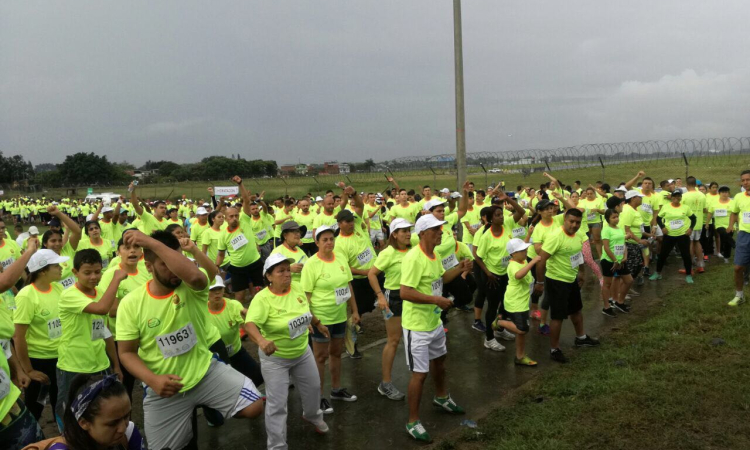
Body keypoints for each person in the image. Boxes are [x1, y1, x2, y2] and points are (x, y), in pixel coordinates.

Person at [116, 230, 263, 450]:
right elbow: (126, 353)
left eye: (177, 260)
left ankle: (207, 404)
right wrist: (153, 380)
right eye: (164, 263)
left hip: (204, 372)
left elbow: (196, 276)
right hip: (165, 387)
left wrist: (150, 242)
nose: (174, 269)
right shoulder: (131, 303)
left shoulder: (192, 287)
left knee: (254, 407)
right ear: (149, 267)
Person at [245, 253, 330, 449]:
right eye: (280, 271)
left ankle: (312, 416)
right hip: (275, 359)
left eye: (287, 269)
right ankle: (276, 445)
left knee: (314, 388)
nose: (287, 274)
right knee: (277, 404)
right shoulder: (262, 299)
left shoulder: (297, 288)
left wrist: (317, 323)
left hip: (302, 351)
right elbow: (249, 324)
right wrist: (261, 340)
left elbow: (305, 311)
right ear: (269, 276)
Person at [400, 214, 468, 442]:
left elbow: (441, 279)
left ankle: (441, 397)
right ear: (423, 233)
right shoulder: (413, 258)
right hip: (416, 327)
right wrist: (436, 300)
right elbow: (405, 292)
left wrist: (459, 268)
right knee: (420, 374)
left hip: (434, 322)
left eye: (441, 229)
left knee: (440, 361)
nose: (441, 233)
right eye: (436, 230)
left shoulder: (435, 254)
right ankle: (413, 421)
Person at [55, 250, 124, 426]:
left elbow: (105, 331)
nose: (94, 277)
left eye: (97, 272)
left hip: (100, 364)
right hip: (74, 365)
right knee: (70, 413)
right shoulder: (69, 295)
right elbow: (101, 308)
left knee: (97, 412)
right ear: (75, 272)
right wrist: (115, 279)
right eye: (87, 272)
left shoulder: (100, 292)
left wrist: (115, 364)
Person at [300, 225, 359, 414]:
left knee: (336, 353)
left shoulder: (340, 258)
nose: (329, 242)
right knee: (320, 357)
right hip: (321, 320)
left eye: (331, 239)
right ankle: (317, 397)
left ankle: (336, 389)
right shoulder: (311, 264)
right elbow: (305, 298)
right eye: (324, 239)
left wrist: (355, 311)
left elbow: (349, 286)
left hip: (340, 317)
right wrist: (314, 321)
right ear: (316, 242)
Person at [535, 209, 600, 364]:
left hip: (571, 279)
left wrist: (582, 272)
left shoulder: (579, 235)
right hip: (557, 281)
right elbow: (541, 260)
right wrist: (539, 282)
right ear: (564, 219)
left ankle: (581, 337)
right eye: (571, 221)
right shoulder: (556, 237)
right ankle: (554, 349)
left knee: (576, 310)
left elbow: (578, 256)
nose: (574, 225)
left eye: (577, 222)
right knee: (558, 316)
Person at [13, 250, 69, 426]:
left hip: (61, 359)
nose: (61, 268)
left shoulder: (59, 288)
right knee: (37, 404)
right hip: (39, 362)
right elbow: (18, 336)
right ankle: (32, 437)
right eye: (56, 265)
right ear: (42, 270)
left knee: (60, 402)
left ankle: (62, 436)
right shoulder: (26, 295)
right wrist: (29, 370)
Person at [0, 237, 45, 450]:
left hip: (7, 401)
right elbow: (5, 281)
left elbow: (3, 342)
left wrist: (17, 369)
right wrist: (28, 251)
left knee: (34, 442)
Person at [23, 374, 145, 450]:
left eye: (126, 416)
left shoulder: (128, 434)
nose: (123, 427)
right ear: (83, 422)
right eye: (112, 423)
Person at [97, 233, 153, 397]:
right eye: (126, 248)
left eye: (136, 247)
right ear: (118, 252)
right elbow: (112, 311)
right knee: (124, 384)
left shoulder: (145, 271)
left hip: (145, 334)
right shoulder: (112, 275)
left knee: (149, 378)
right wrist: (142, 305)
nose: (132, 251)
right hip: (120, 338)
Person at [367, 218, 412, 401]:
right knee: (393, 340)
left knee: (414, 336)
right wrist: (379, 296)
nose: (408, 233)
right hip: (394, 297)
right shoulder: (388, 253)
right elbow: (372, 274)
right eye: (403, 231)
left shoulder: (412, 249)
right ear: (394, 234)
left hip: (412, 295)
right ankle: (385, 383)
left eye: (409, 230)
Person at [207, 277, 263, 386]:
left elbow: (247, 327)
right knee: (228, 386)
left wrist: (261, 342)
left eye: (219, 288)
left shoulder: (233, 305)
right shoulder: (201, 309)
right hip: (214, 359)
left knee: (258, 376)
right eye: (212, 290)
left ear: (224, 290)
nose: (217, 292)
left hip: (236, 352)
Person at [216, 176, 264, 302]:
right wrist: (216, 266)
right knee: (239, 296)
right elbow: (221, 254)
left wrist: (240, 184)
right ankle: (240, 318)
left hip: (255, 263)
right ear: (226, 219)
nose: (235, 218)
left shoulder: (244, 220)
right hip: (237, 268)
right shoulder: (223, 235)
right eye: (231, 216)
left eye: (236, 215)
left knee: (262, 292)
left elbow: (246, 201)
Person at [494, 238, 540, 366]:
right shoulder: (513, 264)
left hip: (523, 301)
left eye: (525, 249)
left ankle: (519, 356)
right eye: (522, 250)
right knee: (522, 329)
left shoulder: (522, 260)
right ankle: (500, 322)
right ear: (513, 254)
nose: (525, 252)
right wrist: (533, 262)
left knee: (522, 331)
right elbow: (519, 275)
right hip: (515, 302)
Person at [651, 190, 696, 284]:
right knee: (663, 255)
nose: (677, 198)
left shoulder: (685, 207)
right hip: (669, 235)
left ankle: (688, 275)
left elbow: (693, 218)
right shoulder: (666, 207)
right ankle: (658, 273)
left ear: (681, 197)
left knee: (686, 255)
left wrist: (690, 228)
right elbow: (658, 218)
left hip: (682, 235)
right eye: (675, 196)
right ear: (671, 197)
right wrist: (662, 227)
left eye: (678, 196)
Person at [600, 209, 631, 316]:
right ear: (608, 219)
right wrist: (614, 260)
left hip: (621, 261)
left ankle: (619, 302)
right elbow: (606, 247)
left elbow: (623, 244)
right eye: (613, 217)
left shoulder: (619, 229)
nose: (616, 219)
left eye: (617, 216)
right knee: (607, 284)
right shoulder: (606, 230)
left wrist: (625, 256)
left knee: (629, 280)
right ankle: (606, 307)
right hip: (609, 261)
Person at [728, 170, 750, 305]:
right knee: (738, 268)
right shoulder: (738, 197)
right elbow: (734, 212)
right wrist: (731, 225)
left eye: (748, 179)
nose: (746, 183)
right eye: (743, 180)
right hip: (744, 235)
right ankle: (739, 295)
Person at [682, 176, 707, 273]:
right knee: (697, 242)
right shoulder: (702, 195)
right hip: (699, 222)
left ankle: (689, 267)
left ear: (687, 185)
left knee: (690, 243)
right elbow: (705, 209)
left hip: (688, 224)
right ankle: (700, 265)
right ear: (696, 184)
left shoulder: (684, 196)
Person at [706, 185, 733, 264]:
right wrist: (707, 223)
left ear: (729, 193)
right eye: (723, 192)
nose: (725, 194)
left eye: (726, 192)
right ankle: (734, 244)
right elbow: (710, 213)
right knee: (723, 234)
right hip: (719, 225)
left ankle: (726, 256)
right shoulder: (714, 203)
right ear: (719, 193)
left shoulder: (733, 202)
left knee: (727, 241)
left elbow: (736, 214)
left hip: (730, 225)